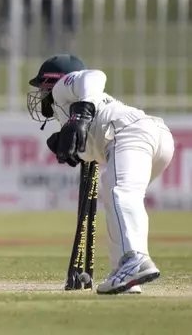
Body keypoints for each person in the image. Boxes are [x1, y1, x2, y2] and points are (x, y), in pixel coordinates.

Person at [26, 54, 175, 295]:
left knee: (121, 194)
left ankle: (135, 259)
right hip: (157, 139)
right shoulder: (82, 107)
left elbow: (95, 76)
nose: (41, 95)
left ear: (54, 82)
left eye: (43, 87)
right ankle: (124, 274)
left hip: (132, 133)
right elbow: (94, 136)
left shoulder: (64, 91)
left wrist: (79, 115)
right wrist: (78, 151)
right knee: (112, 190)